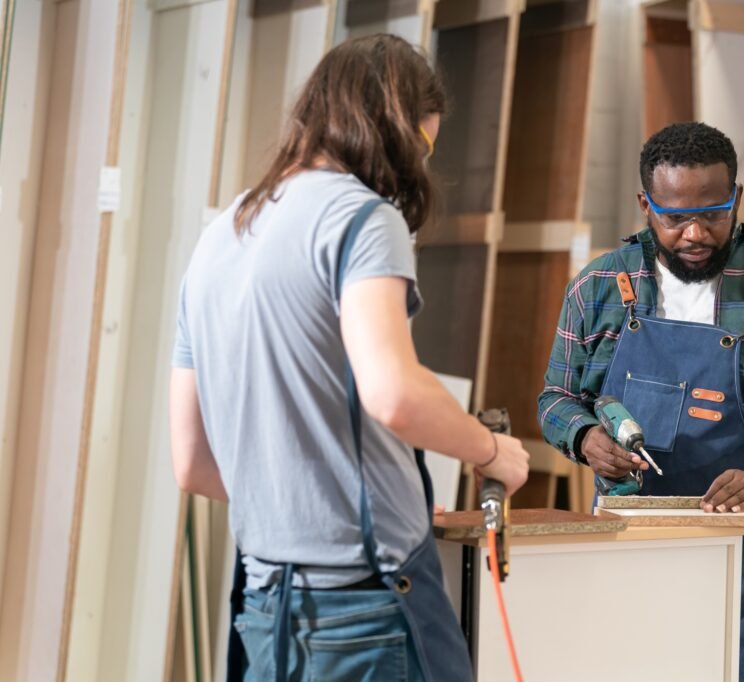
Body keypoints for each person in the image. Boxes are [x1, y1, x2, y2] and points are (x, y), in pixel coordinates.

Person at [169, 34, 529, 682]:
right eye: (424, 146)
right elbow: (393, 391)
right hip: (369, 604)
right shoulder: (362, 219)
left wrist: (327, 489)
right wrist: (489, 451)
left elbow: (193, 464)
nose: (418, 166)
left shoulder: (218, 238)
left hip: (265, 610)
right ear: (392, 127)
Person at [537, 121, 744, 681]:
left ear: (737, 197)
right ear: (645, 204)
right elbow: (556, 399)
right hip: (627, 546)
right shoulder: (596, 288)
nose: (694, 234)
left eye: (713, 212)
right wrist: (586, 437)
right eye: (674, 217)